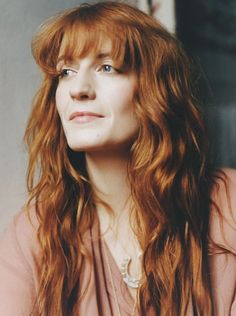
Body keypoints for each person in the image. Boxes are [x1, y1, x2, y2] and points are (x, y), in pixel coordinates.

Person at [0, 1, 236, 315]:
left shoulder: (228, 205)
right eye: (66, 72)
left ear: (156, 89)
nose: (78, 89)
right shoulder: (35, 233)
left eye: (106, 67)